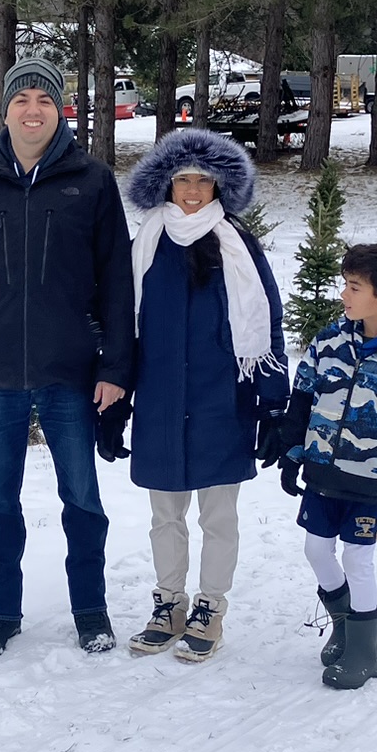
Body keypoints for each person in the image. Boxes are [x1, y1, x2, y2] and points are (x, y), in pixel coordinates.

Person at [0, 59, 135, 657]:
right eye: (21, 99)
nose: (32, 110)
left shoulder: (91, 180)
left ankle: (90, 611)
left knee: (82, 500)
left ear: (60, 110)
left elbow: (117, 281)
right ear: (5, 110)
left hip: (71, 371)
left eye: (44, 99)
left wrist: (116, 367)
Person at [101, 129, 285, 663]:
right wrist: (115, 401)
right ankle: (169, 604)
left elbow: (266, 322)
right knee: (165, 515)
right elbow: (121, 323)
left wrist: (274, 405)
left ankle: (210, 608)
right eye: (183, 179)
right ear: (166, 184)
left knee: (218, 517)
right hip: (160, 402)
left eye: (204, 181)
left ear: (219, 187)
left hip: (222, 401)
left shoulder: (238, 246)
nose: (192, 190)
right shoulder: (146, 244)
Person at [266, 241, 377, 690]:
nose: (344, 294)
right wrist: (291, 453)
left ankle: (364, 652)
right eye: (345, 284)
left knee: (358, 559)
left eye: (355, 287)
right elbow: (302, 398)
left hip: (374, 482)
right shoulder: (329, 341)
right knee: (316, 550)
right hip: (323, 472)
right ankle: (344, 626)